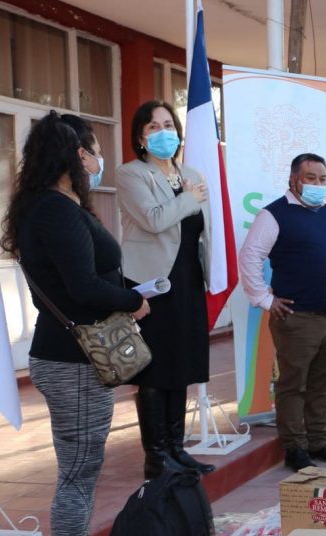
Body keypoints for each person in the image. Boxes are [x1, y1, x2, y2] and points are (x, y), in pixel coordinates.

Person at [0, 112, 150, 536]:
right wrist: (132, 300)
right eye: (89, 150)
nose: (95, 159)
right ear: (72, 156)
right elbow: (83, 287)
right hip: (73, 359)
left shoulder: (55, 206)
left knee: (81, 473)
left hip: (72, 356)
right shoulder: (54, 212)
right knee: (77, 476)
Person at [239, 153, 326, 471]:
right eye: (311, 178)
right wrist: (265, 300)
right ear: (293, 180)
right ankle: (295, 447)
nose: (317, 185)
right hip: (296, 319)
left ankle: (318, 442)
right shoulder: (274, 215)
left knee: (321, 382)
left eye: (323, 179)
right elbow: (250, 257)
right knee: (293, 385)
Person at [116, 100, 215, 479]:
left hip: (188, 277)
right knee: (156, 369)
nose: (163, 133)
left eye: (168, 125)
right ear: (140, 138)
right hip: (153, 283)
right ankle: (156, 456)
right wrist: (189, 198)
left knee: (181, 363)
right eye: (153, 127)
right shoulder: (132, 174)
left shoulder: (190, 172)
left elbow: (203, 230)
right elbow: (155, 220)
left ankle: (177, 448)